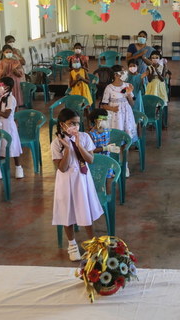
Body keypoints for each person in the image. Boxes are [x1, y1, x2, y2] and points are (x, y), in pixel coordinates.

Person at [52, 108, 103, 261]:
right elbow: (62, 167)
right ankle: (72, 244)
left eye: (77, 123)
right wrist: (67, 148)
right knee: (67, 211)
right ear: (62, 124)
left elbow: (90, 160)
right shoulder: (56, 142)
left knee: (84, 208)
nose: (75, 126)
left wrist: (79, 145)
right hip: (66, 181)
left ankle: (92, 243)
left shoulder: (85, 137)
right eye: (71, 123)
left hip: (82, 180)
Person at [0, 77, 24, 179]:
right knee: (1, 147)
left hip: (8, 125)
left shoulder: (11, 99)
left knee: (13, 147)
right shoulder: (1, 97)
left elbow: (6, 114)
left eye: (1, 85)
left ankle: (18, 167)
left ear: (7, 87)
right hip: (0, 125)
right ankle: (0, 170)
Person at [101, 66, 138, 148]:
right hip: (114, 116)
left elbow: (132, 104)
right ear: (115, 75)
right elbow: (104, 105)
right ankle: (116, 155)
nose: (125, 74)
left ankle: (125, 155)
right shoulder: (109, 88)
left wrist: (129, 94)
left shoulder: (127, 85)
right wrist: (112, 109)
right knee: (116, 137)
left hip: (126, 114)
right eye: (122, 72)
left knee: (126, 135)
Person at [0, 44, 26, 109]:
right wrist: (4, 70)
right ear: (3, 53)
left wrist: (15, 71)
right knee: (7, 100)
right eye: (6, 52)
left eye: (10, 52)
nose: (8, 53)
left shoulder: (16, 61)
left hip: (15, 82)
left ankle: (16, 112)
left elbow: (20, 74)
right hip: (6, 83)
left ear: (12, 52)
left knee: (15, 98)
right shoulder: (1, 62)